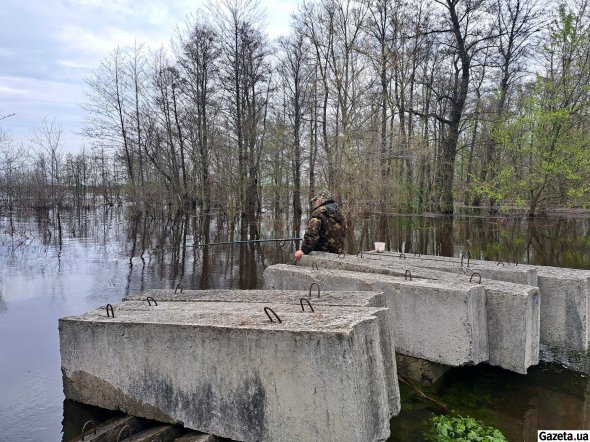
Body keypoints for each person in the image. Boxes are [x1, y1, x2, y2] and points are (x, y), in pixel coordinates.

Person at [294, 190, 346, 261]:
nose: (315, 202)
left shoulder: (318, 213)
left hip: (321, 256)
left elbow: (311, 234)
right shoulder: (339, 213)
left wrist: (303, 250)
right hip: (338, 255)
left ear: (319, 200)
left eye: (316, 200)